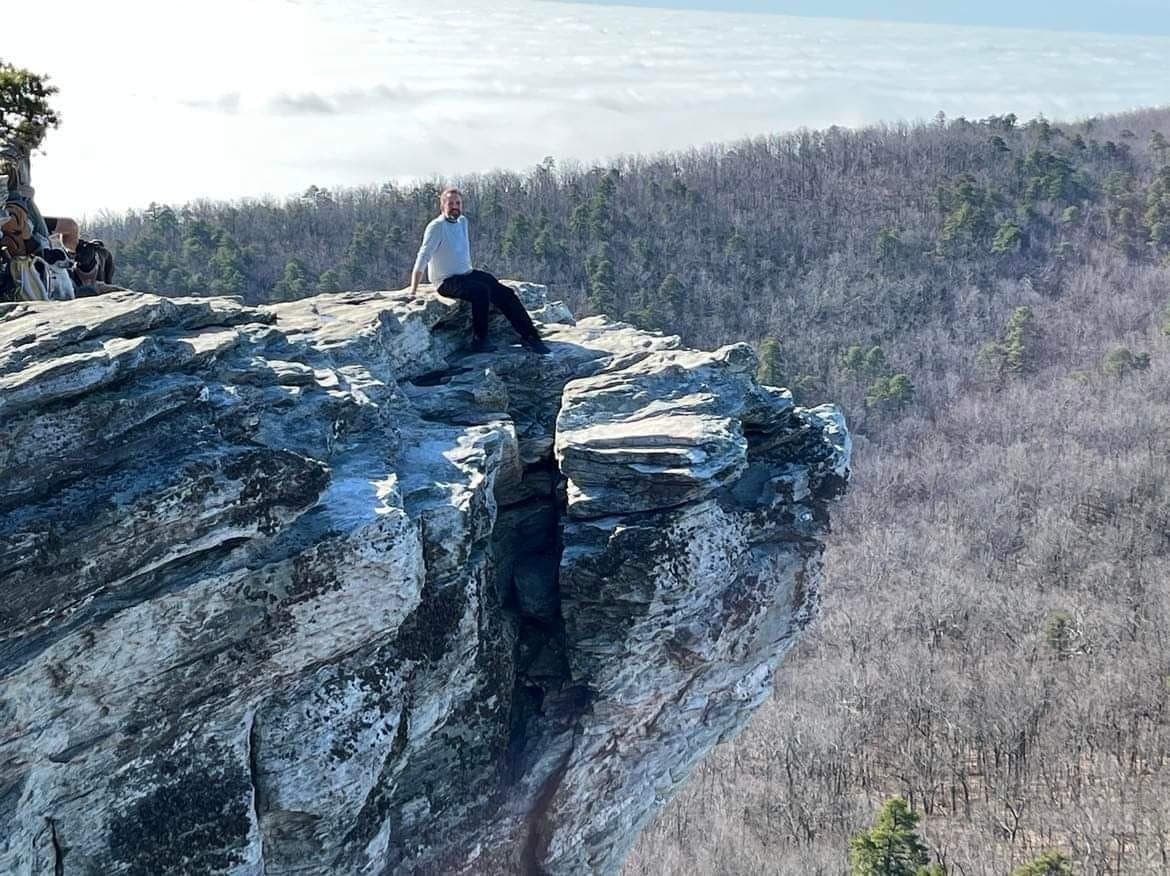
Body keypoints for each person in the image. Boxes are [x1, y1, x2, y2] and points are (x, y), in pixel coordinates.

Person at [410, 187, 550, 354]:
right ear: (442, 206)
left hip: (466, 274)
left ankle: (531, 337)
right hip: (446, 281)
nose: (455, 206)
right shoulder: (436, 227)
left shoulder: (462, 221)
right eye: (450, 203)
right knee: (480, 291)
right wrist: (413, 290)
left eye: (458, 203)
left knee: (504, 292)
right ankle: (479, 340)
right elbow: (423, 256)